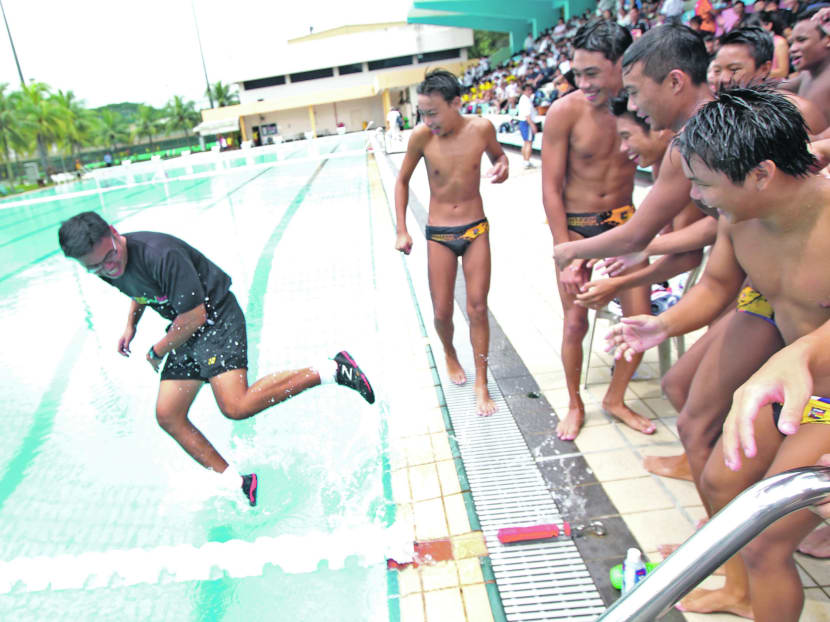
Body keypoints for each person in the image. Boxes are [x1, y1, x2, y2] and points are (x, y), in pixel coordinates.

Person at [607, 85, 830, 621]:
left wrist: (799, 353)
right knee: (721, 481)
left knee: (766, 541)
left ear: (762, 173)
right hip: (791, 390)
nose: (698, 198)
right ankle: (740, 590)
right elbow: (715, 288)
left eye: (705, 184)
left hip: (818, 396)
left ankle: (760, 587)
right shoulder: (739, 218)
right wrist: (660, 326)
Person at [58, 212, 375, 507]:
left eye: (110, 257)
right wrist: (132, 324)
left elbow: (195, 316)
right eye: (95, 267)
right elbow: (137, 289)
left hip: (214, 319)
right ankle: (238, 483)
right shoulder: (104, 265)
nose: (108, 268)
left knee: (236, 406)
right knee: (169, 415)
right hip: (186, 329)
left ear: (115, 234)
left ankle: (334, 369)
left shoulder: (160, 254)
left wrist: (158, 350)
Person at [541, 20, 655, 441]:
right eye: (577, 74)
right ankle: (574, 403)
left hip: (625, 226)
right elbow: (550, 188)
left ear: (621, 65)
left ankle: (615, 397)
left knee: (639, 320)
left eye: (591, 73)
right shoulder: (565, 112)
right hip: (577, 230)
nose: (581, 82)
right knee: (574, 325)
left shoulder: (643, 110)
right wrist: (565, 251)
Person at [394, 69, 509, 416]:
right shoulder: (421, 138)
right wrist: (402, 229)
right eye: (422, 113)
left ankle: (482, 383)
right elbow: (401, 182)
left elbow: (499, 157)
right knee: (442, 312)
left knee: (477, 308)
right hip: (440, 234)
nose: (427, 120)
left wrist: (502, 166)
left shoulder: (481, 129)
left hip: (475, 229)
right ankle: (449, 352)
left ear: (456, 104)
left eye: (433, 112)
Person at [574, 93, 704, 312]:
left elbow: (689, 257)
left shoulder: (684, 169)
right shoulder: (663, 164)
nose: (623, 148)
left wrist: (618, 283)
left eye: (626, 136)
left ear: (658, 128)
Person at [712, 26, 827, 133]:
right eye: (717, 70)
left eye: (734, 69)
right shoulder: (713, 114)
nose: (723, 79)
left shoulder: (799, 112)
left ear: (764, 69)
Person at [782, 6, 830, 124]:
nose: (792, 49)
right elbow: (774, 87)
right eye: (792, 42)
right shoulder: (807, 74)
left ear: (828, 40)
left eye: (801, 40)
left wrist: (814, 141)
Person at [517, 83, 537, 168]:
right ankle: (527, 161)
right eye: (528, 90)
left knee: (526, 142)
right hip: (527, 122)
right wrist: (532, 125)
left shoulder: (525, 99)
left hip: (523, 122)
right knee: (528, 142)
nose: (530, 91)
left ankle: (525, 160)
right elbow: (527, 115)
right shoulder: (525, 100)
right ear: (524, 91)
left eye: (530, 89)